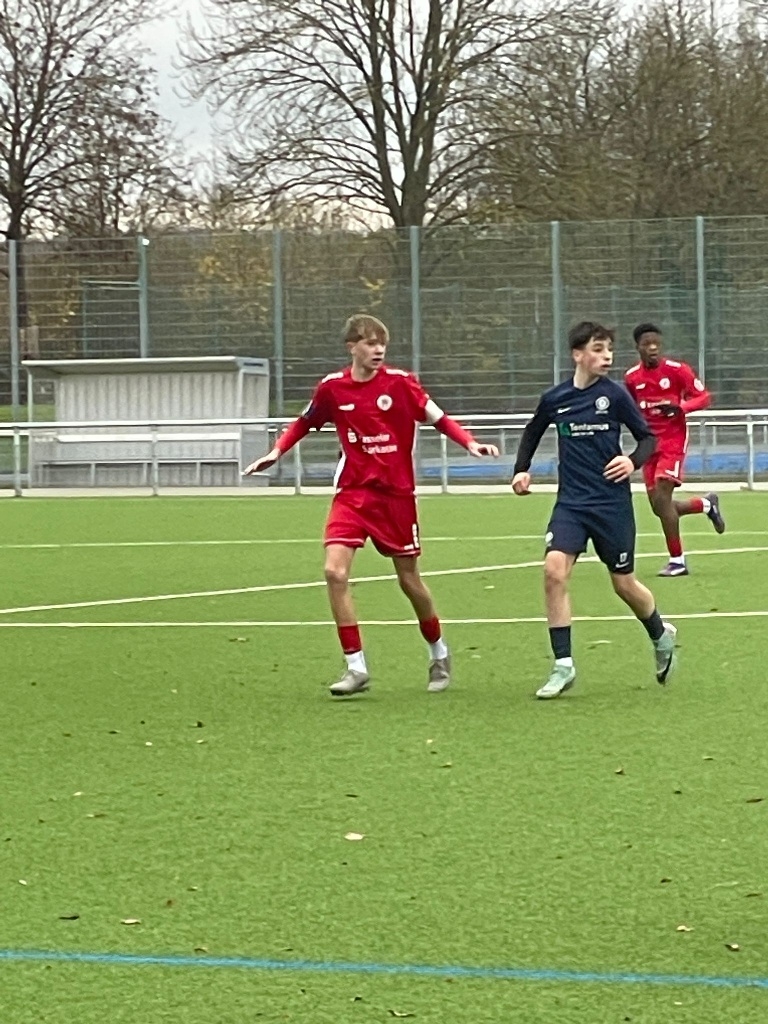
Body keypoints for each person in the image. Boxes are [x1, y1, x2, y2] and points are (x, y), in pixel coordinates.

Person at [243, 313, 499, 697]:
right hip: (353, 494)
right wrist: (276, 452)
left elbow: (439, 418)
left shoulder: (401, 383)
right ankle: (356, 667)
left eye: (382, 343)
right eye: (370, 343)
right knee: (334, 572)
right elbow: (304, 422)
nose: (378, 350)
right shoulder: (333, 388)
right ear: (352, 347)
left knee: (409, 581)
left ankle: (438, 652)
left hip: (395, 497)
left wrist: (470, 443)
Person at [511, 320, 677, 700]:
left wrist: (632, 461)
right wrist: (521, 469)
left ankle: (660, 634)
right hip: (571, 504)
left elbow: (648, 438)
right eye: (598, 350)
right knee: (554, 572)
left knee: (624, 584)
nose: (607, 356)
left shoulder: (615, 396)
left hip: (611, 505)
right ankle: (563, 665)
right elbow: (533, 431)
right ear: (577, 355)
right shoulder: (555, 398)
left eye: (609, 350)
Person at [624, 323, 725, 577]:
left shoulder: (678, 370)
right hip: (649, 445)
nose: (653, 348)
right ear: (638, 347)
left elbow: (704, 397)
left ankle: (677, 561)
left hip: (673, 442)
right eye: (647, 344)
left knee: (662, 499)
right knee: (660, 507)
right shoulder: (632, 378)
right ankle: (705, 504)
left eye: (656, 343)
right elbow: (630, 409)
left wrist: (681, 407)